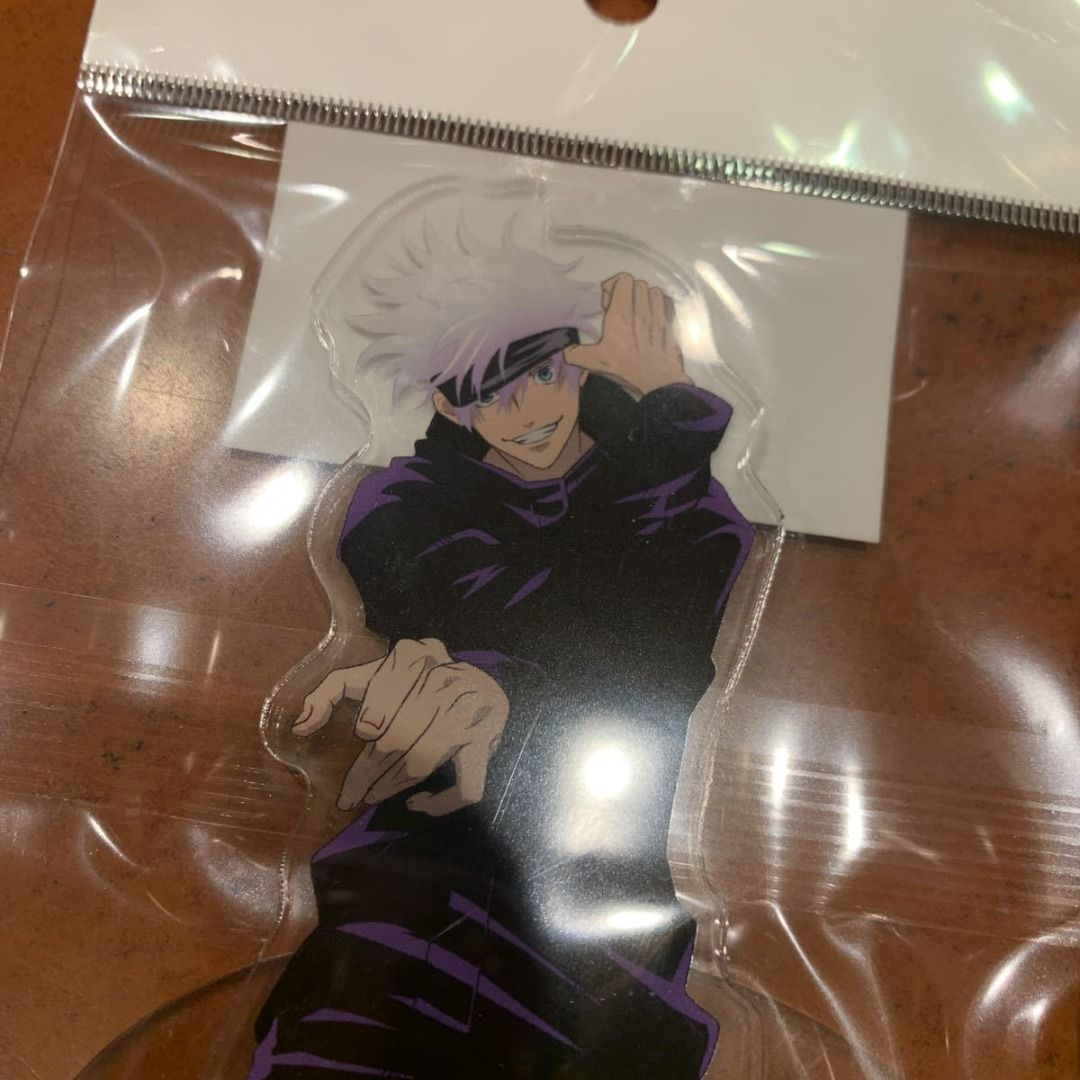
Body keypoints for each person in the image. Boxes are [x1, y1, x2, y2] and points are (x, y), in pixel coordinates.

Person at [248, 227, 753, 1078]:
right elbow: (519, 613)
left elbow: (665, 638)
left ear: (578, 363)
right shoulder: (404, 506)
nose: (528, 415)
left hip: (594, 895)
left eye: (544, 375)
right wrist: (498, 686)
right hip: (423, 877)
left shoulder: (683, 504)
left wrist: (665, 416)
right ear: (450, 406)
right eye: (491, 395)